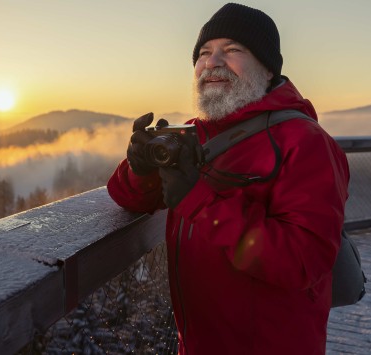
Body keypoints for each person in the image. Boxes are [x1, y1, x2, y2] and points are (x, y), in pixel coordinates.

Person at [107, 3, 350, 354]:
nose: (213, 62)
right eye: (204, 53)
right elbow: (125, 198)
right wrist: (140, 170)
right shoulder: (192, 133)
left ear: (267, 69)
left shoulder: (306, 143)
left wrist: (201, 200)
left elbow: (302, 261)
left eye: (233, 50)